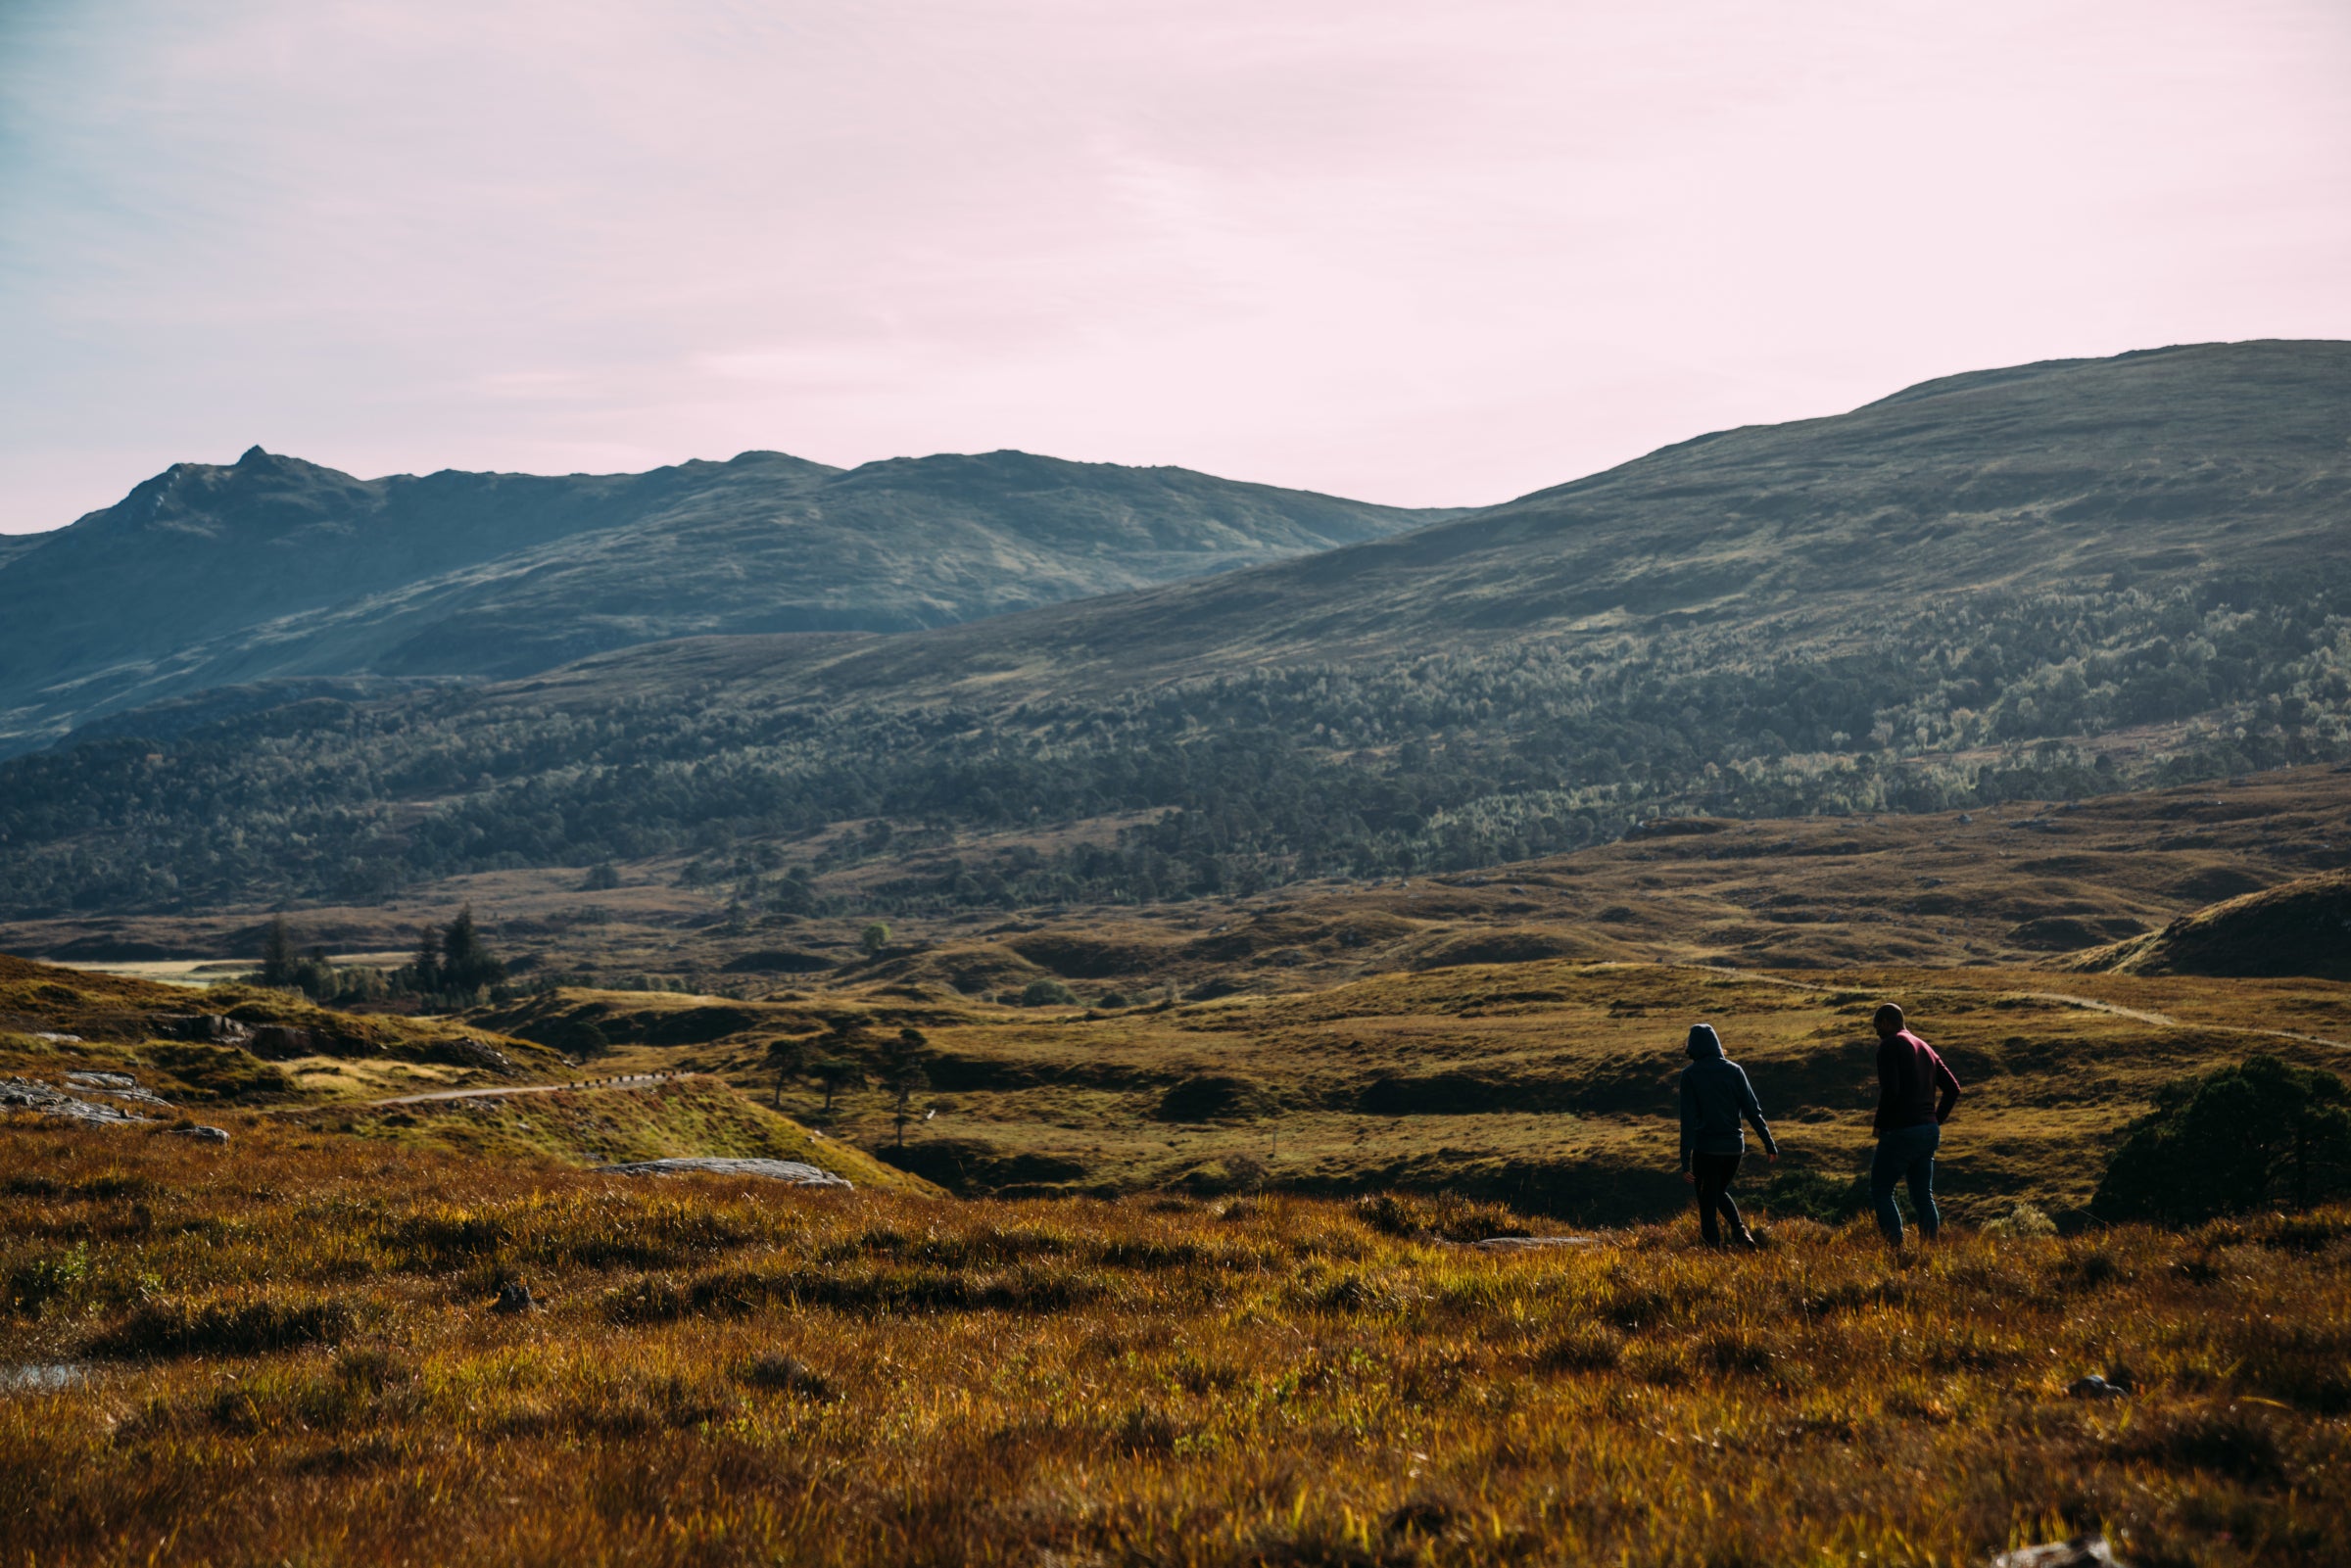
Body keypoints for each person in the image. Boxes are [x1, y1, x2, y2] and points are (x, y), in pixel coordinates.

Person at [1678, 1023, 1779, 1249]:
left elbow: (1687, 1121)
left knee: (1707, 1202)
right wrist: (1769, 1143)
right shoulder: (1735, 1071)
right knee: (1717, 1192)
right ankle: (1741, 1234)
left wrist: (1685, 1160)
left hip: (1706, 1149)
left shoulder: (1690, 1075)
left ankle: (1713, 1247)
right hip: (1734, 1149)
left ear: (1692, 1046)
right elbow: (1753, 1111)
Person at [1870, 1003, 1960, 1247]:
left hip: (1901, 1130)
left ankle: (1896, 1250)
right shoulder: (1926, 1048)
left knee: (1880, 1189)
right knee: (1923, 1196)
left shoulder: (1889, 1045)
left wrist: (1879, 1124)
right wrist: (1933, 1121)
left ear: (1887, 1022)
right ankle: (1929, 1250)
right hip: (1928, 1131)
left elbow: (1891, 1090)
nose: (1876, 1032)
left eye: (1877, 1026)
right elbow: (1953, 1089)